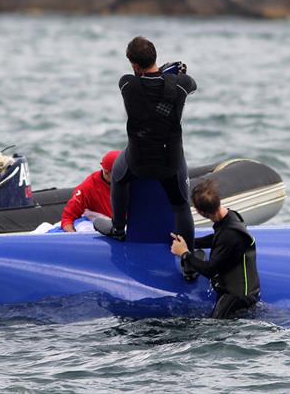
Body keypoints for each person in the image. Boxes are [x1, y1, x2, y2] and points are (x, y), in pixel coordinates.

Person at [102, 36, 197, 248]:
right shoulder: (180, 85)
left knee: (118, 176)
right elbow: (192, 85)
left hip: (138, 162)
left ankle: (118, 228)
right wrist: (171, 74)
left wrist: (158, 72)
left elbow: (144, 79)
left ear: (134, 65)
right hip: (169, 164)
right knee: (181, 205)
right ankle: (187, 256)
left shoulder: (127, 83)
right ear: (155, 56)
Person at [170, 178, 260, 319]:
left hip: (237, 296)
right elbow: (218, 240)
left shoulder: (230, 235)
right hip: (246, 290)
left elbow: (210, 270)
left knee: (213, 324)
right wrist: (190, 243)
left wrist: (184, 253)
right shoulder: (231, 216)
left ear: (201, 213)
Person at [61, 150, 121, 232]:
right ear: (106, 173)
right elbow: (67, 217)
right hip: (101, 226)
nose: (124, 176)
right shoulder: (88, 186)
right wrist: (73, 237)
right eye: (120, 173)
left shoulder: (134, 180)